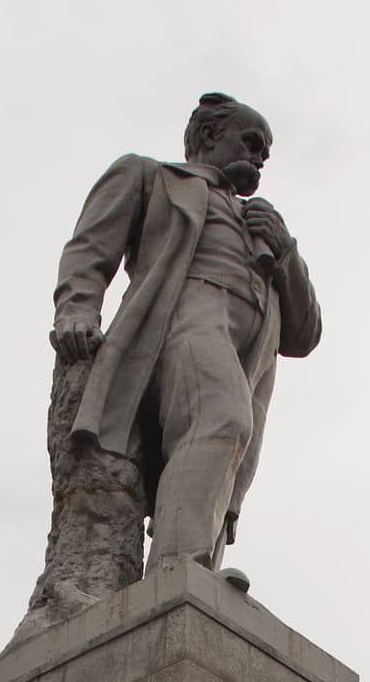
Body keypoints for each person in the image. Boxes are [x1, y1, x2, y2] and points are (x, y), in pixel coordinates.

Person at [51, 92, 322, 573]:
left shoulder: (263, 225)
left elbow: (305, 335)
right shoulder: (151, 177)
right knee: (222, 416)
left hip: (254, 356)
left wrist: (285, 252)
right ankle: (180, 570)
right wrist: (77, 310)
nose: (260, 158)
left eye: (266, 153)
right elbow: (90, 248)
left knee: (229, 457)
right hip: (184, 317)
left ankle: (204, 572)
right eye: (252, 142)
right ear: (209, 135)